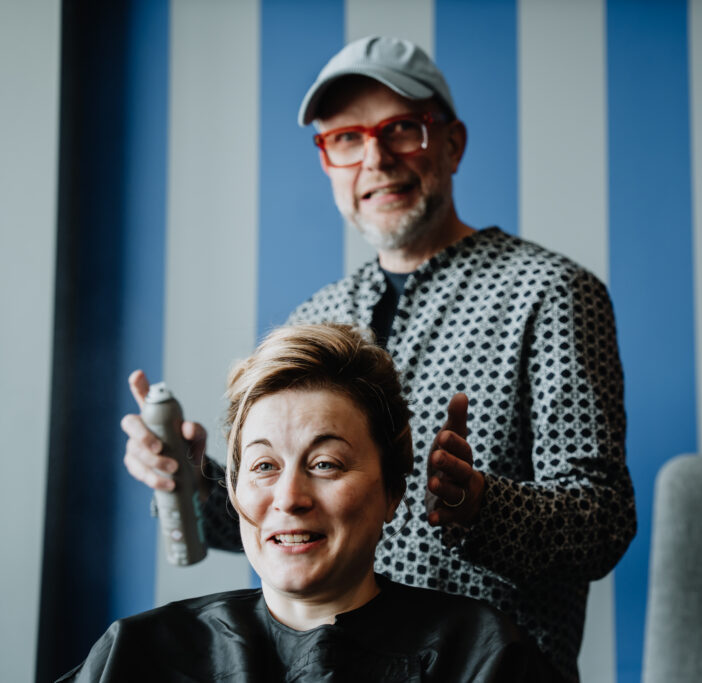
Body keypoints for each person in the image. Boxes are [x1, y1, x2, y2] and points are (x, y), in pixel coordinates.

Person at [121, 35, 635, 682]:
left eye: (403, 130)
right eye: (346, 138)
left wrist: (480, 505)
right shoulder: (319, 314)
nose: (376, 158)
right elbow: (299, 518)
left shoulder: (551, 293)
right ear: (327, 161)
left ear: (451, 144)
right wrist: (195, 481)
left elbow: (603, 520)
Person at [69, 324, 552, 682]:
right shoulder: (140, 654)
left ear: (393, 491)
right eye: (263, 466)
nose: (289, 498)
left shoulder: (482, 660)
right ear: (233, 490)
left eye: (326, 464)